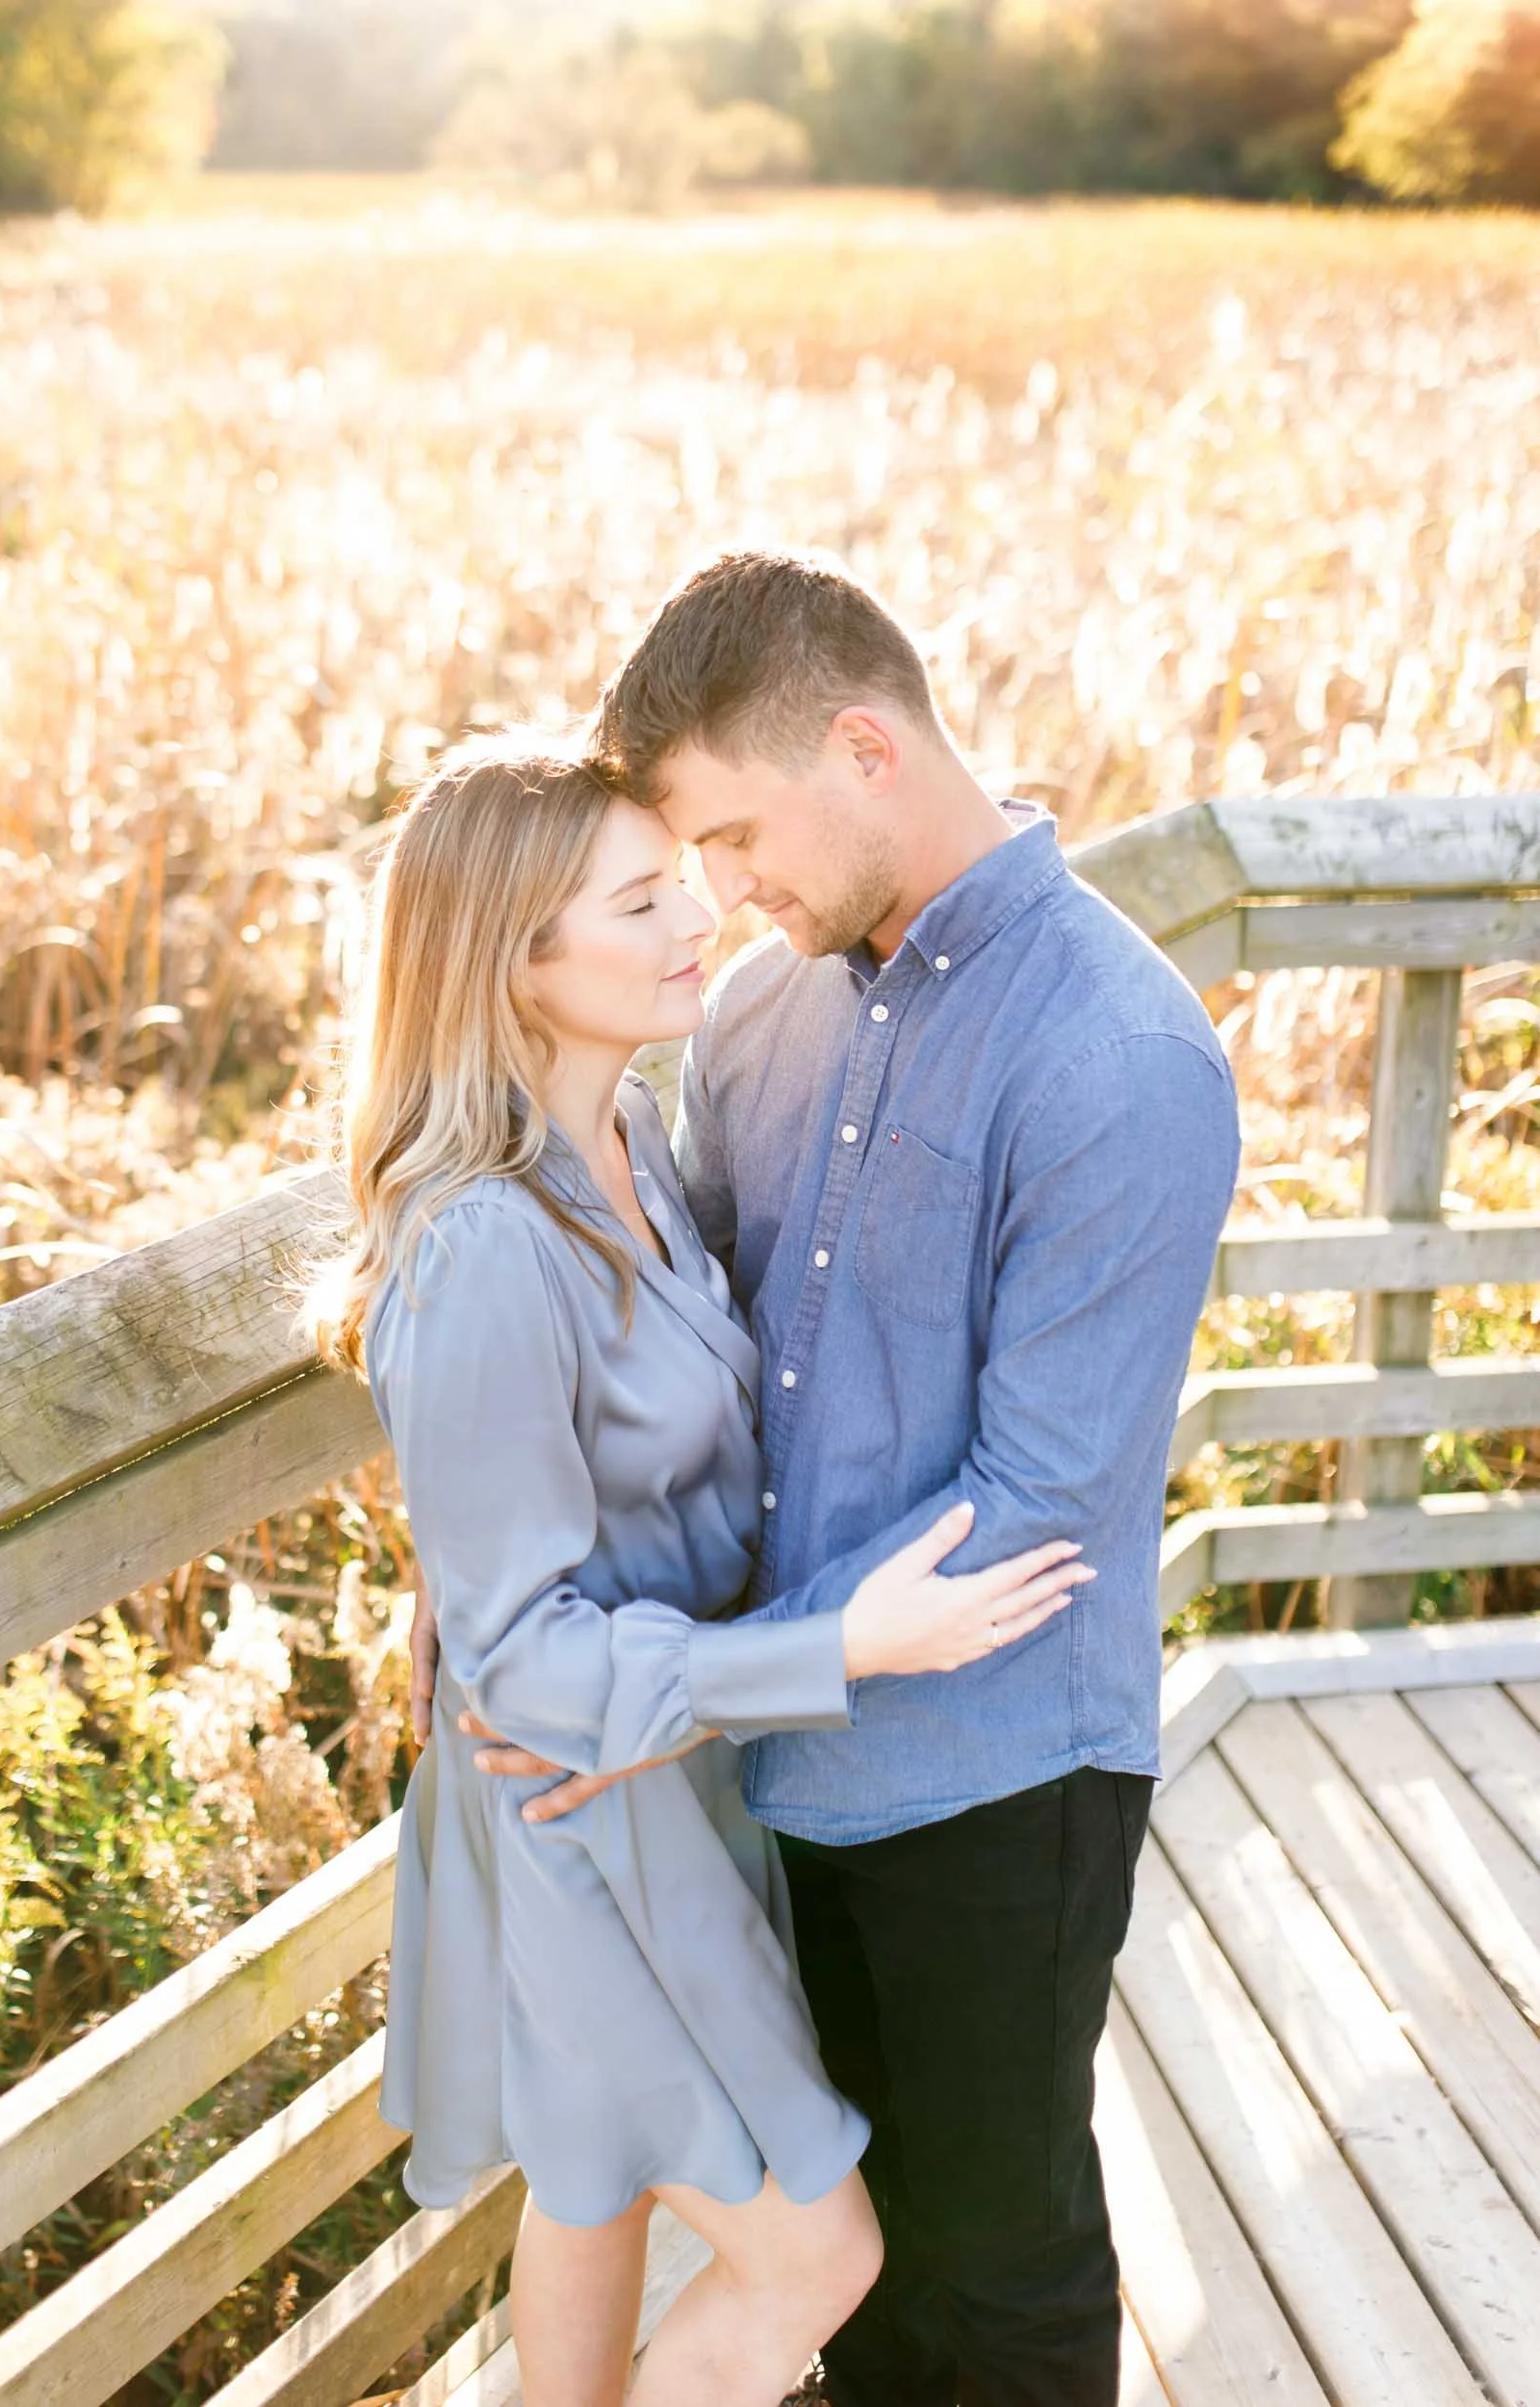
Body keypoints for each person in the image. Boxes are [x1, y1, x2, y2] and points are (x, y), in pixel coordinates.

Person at [460, 554, 1244, 2407]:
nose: (724, 897)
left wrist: (660, 1699)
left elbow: (1033, 1507)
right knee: (854, 2273)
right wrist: (506, 1551)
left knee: (999, 2260)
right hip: (761, 1766)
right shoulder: (757, 1018)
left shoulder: (1119, 1058)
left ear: (864, 747)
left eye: (733, 838)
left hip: (996, 1772)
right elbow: (675, 1349)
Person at [305, 736, 1095, 2407]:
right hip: (584, 1815)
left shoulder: (636, 1149)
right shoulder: (480, 1243)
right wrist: (847, 1648)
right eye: (643, 899)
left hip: (668, 1778)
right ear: (513, 963)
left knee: (589, 2195)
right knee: (824, 2257)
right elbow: (518, 1667)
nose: (699, 920)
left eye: (686, 881)